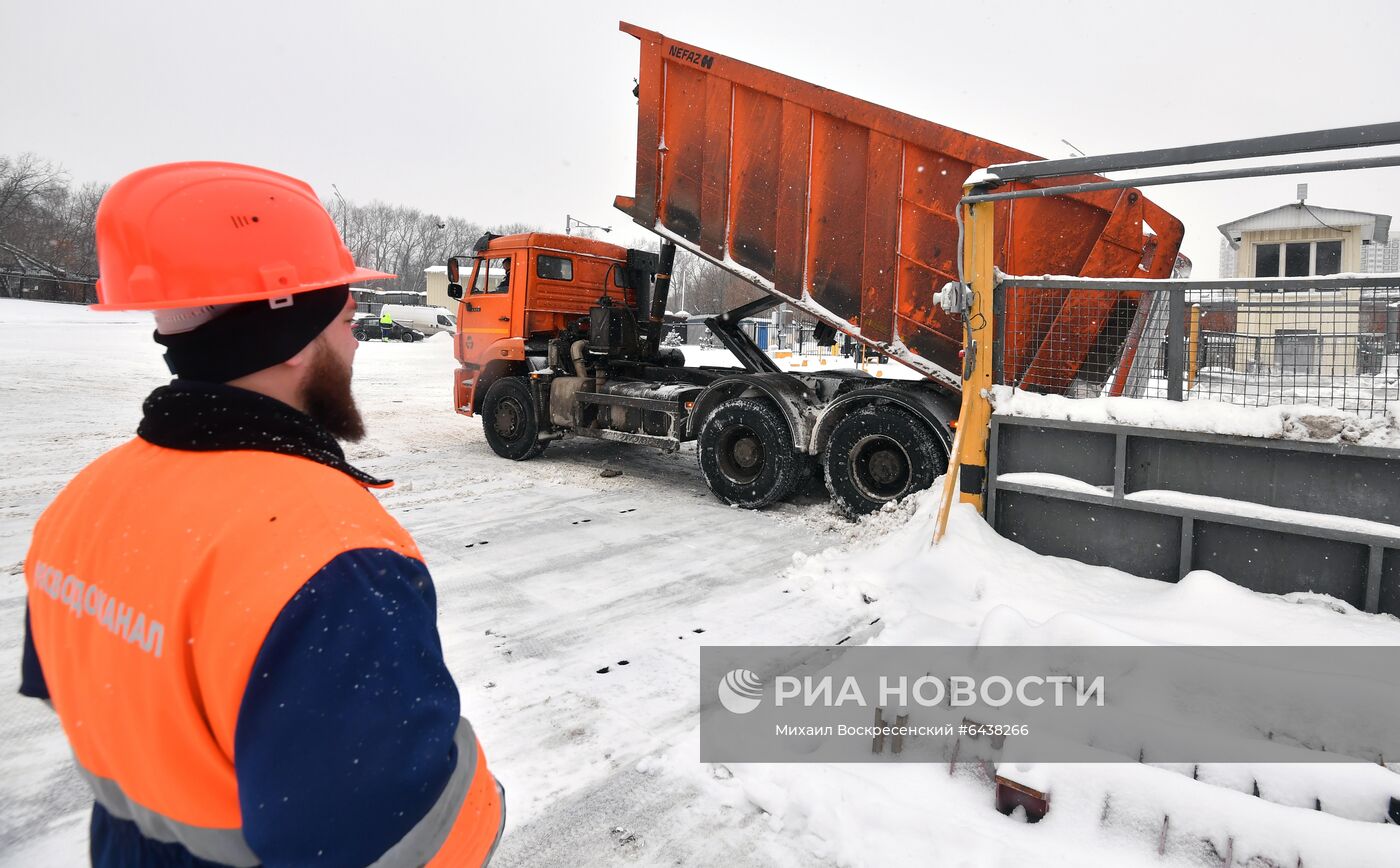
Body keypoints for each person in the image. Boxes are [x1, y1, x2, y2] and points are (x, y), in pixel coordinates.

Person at [19, 162, 504, 867]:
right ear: (294, 340)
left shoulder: (83, 502)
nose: (356, 341)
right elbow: (400, 839)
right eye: (346, 320)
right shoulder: (333, 558)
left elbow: (81, 692)